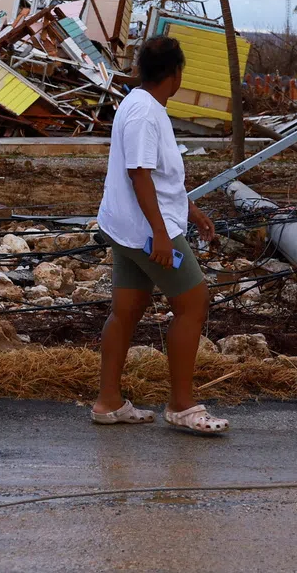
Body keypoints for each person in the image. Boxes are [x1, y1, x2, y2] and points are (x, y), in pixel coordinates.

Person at [91, 36, 229, 435]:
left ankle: (109, 403)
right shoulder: (144, 114)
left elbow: (159, 176)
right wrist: (162, 234)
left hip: (128, 228)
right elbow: (140, 175)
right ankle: (182, 405)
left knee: (128, 310)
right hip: (147, 232)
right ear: (177, 75)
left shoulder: (138, 104)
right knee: (193, 302)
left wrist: (191, 209)